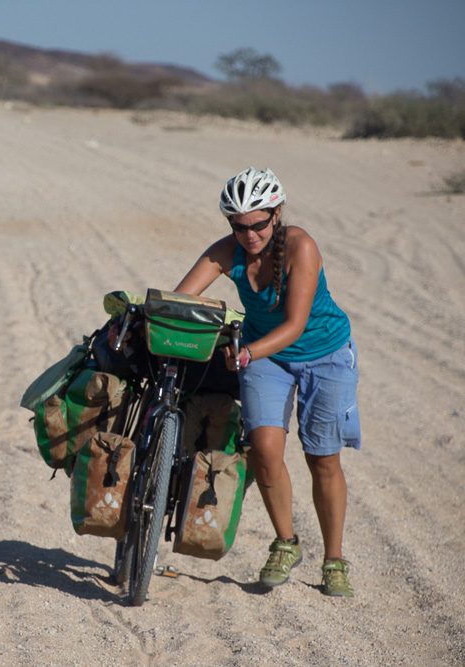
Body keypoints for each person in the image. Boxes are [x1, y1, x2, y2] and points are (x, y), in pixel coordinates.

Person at [174, 167, 359, 597]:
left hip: (324, 354)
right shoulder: (226, 251)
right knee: (264, 449)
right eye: (239, 226)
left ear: (276, 214)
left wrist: (247, 352)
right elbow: (183, 299)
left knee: (323, 459)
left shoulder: (301, 246)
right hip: (264, 356)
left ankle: (334, 560)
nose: (250, 234)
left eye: (258, 223)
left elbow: (294, 325)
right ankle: (285, 543)